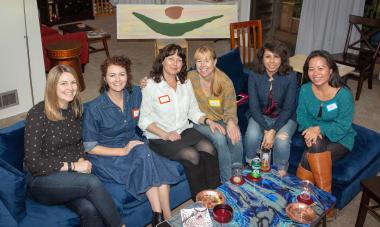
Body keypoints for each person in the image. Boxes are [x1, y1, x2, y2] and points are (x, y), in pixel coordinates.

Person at [82, 56, 181, 226]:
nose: (117, 79)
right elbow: (90, 148)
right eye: (112, 75)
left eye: (122, 74)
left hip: (133, 145)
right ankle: (159, 216)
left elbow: (156, 89)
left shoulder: (135, 93)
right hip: (109, 156)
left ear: (128, 76)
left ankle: (166, 218)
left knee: (148, 157)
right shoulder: (94, 108)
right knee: (146, 155)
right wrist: (122, 151)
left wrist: (147, 82)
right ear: (104, 78)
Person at [24, 65, 124, 227]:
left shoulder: (75, 109)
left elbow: (78, 143)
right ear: (52, 86)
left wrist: (81, 159)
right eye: (63, 84)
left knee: (90, 209)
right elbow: (34, 164)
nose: (70, 88)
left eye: (73, 83)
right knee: (91, 182)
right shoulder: (37, 114)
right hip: (40, 180)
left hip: (67, 179)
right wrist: (73, 166)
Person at [138, 44, 223, 200]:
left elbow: (193, 110)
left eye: (179, 59)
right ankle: (201, 201)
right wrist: (165, 134)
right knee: (191, 155)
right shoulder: (151, 85)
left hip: (183, 130)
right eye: (170, 59)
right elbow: (143, 120)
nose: (175, 63)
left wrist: (208, 121)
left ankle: (215, 195)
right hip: (159, 136)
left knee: (209, 148)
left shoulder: (185, 82)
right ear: (162, 60)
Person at [296, 50, 356, 196]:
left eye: (321, 68)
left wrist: (320, 128)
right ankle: (325, 200)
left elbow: (343, 125)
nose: (316, 73)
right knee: (315, 143)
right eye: (311, 69)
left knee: (307, 156)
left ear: (331, 70)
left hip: (341, 138)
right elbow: (301, 115)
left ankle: (302, 197)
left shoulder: (344, 95)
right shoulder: (305, 89)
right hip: (311, 134)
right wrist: (312, 130)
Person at [187, 45, 243, 183]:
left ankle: (237, 175)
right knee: (219, 137)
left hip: (221, 118)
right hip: (199, 120)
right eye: (199, 61)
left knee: (235, 137)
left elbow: (230, 107)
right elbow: (170, 79)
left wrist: (230, 122)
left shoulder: (224, 81)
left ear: (215, 62)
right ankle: (226, 182)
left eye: (207, 60)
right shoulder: (191, 78)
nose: (203, 65)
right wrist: (146, 82)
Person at [245, 40, 298, 166]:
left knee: (281, 141)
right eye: (268, 57)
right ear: (261, 59)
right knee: (251, 136)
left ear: (282, 59)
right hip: (260, 116)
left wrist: (273, 131)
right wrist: (267, 129)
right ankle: (250, 163)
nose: (272, 61)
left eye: (276, 57)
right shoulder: (254, 75)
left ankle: (280, 172)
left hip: (285, 118)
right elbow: (254, 107)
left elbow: (288, 108)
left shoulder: (290, 76)